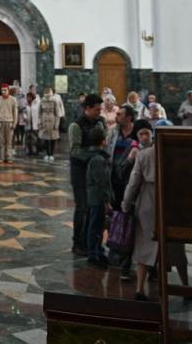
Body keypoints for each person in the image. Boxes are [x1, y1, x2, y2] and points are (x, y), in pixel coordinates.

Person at [122, 119, 189, 301]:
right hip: (170, 203)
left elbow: (133, 183)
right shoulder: (176, 155)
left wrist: (126, 205)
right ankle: (185, 287)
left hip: (147, 203)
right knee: (175, 247)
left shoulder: (143, 155)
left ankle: (139, 289)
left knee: (143, 246)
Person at [67, 93, 105, 256]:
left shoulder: (99, 123)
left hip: (93, 171)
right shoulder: (76, 126)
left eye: (100, 109)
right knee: (82, 207)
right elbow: (75, 151)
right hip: (80, 171)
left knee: (92, 207)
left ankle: (89, 241)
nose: (99, 112)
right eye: (96, 109)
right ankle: (78, 243)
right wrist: (95, 153)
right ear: (87, 108)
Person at [106, 105, 139, 280]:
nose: (116, 116)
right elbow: (108, 153)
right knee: (115, 218)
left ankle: (128, 257)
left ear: (129, 118)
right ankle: (115, 252)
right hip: (114, 181)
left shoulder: (137, 134)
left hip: (130, 183)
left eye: (120, 114)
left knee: (130, 220)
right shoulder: (113, 132)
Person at [85, 127, 111, 268]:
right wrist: (106, 201)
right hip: (97, 198)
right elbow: (101, 182)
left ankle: (98, 251)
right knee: (95, 226)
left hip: (95, 196)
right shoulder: (98, 159)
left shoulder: (97, 156)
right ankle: (93, 253)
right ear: (103, 141)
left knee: (98, 225)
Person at [39, 85, 64, 161]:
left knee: (53, 139)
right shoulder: (42, 101)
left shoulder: (55, 101)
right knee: (46, 139)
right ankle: (47, 153)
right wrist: (40, 122)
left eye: (49, 95)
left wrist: (56, 124)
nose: (47, 97)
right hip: (44, 121)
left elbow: (58, 113)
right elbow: (39, 113)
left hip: (52, 121)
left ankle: (52, 154)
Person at [0, 84, 18, 163]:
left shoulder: (13, 99)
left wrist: (14, 123)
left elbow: (15, 112)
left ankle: (9, 157)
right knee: (2, 141)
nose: (3, 92)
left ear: (8, 90)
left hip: (10, 122)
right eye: (2, 90)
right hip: (0, 122)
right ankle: (2, 157)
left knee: (9, 142)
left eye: (5, 90)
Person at [25, 87, 41, 156]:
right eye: (27, 97)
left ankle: (35, 150)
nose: (29, 98)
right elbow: (24, 112)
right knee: (27, 138)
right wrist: (25, 117)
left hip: (35, 123)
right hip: (27, 123)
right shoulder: (26, 104)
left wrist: (39, 121)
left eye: (30, 97)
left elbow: (40, 112)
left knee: (35, 138)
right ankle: (28, 150)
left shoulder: (37, 102)